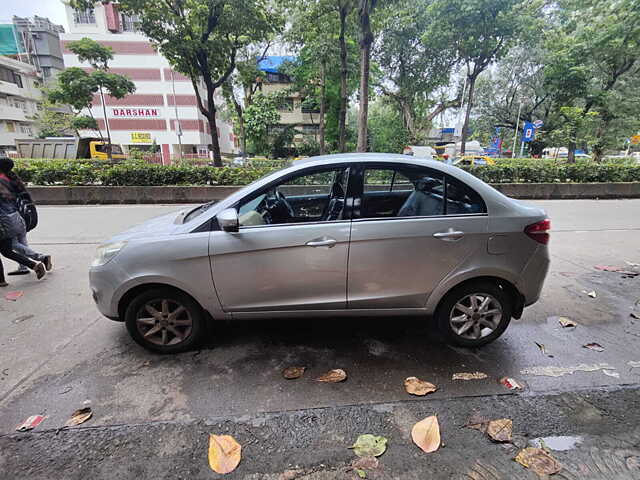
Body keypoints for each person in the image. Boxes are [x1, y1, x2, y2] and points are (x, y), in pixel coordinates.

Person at [0, 157, 48, 281]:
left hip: (7, 219)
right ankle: (28, 265)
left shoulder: (1, 181)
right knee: (18, 243)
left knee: (12, 245)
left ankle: (39, 260)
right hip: (19, 215)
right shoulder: (11, 178)